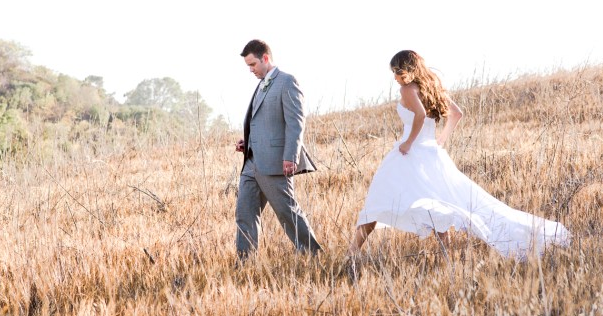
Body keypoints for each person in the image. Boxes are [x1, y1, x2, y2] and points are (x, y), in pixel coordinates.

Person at [347, 50, 571, 264]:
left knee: (377, 202)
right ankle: (446, 259)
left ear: (408, 69)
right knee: (437, 204)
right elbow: (457, 113)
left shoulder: (408, 90)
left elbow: (421, 115)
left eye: (397, 71)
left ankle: (351, 255)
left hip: (410, 154)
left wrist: (408, 143)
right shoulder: (431, 85)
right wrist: (441, 139)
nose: (395, 77)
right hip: (432, 154)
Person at [234, 39, 322, 259]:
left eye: (252, 64)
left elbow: (295, 122)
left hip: (276, 162)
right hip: (251, 162)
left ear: (265, 58)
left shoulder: (287, 82)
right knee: (244, 213)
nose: (250, 70)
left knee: (287, 212)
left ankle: (313, 254)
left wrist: (291, 156)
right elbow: (265, 124)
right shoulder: (261, 84)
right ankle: (246, 261)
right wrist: (249, 142)